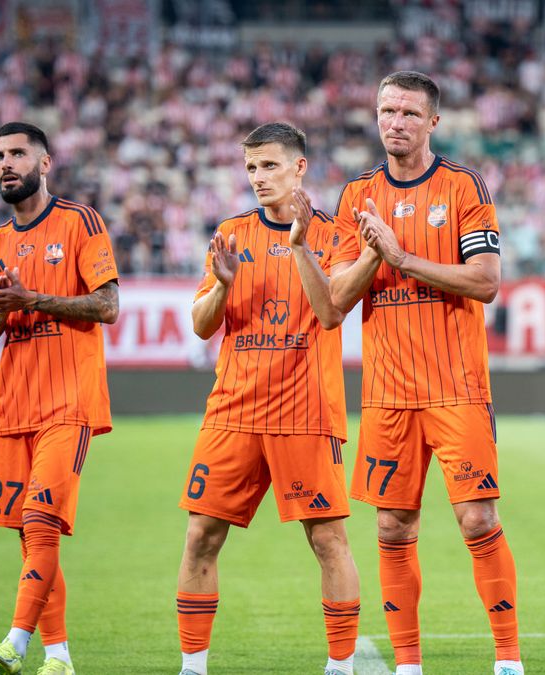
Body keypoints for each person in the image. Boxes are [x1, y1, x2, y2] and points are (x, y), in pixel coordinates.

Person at [330, 70, 522, 675]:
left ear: (433, 122)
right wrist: (370, 255)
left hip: (456, 385)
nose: (396, 123)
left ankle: (508, 661)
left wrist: (401, 257)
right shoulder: (355, 196)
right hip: (387, 391)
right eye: (387, 111)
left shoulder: (464, 186)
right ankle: (409, 667)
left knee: (477, 517)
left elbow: (487, 282)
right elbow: (334, 301)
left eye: (410, 113)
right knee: (391, 526)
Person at [175, 122, 360, 675]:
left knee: (329, 541)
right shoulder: (230, 233)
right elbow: (201, 325)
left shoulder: (335, 234)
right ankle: (192, 666)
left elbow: (332, 310)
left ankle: (341, 666)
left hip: (306, 412)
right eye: (252, 167)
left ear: (300, 167)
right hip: (233, 411)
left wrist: (297, 244)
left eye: (270, 166)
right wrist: (225, 285)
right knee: (200, 537)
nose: (258, 177)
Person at [0, 122, 120, 675]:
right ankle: (58, 657)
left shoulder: (80, 222)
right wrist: (5, 308)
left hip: (69, 399)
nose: (5, 164)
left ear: (45, 162)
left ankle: (15, 643)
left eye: (17, 154)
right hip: (14, 405)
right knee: (30, 535)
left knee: (39, 521)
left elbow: (107, 306)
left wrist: (32, 296)